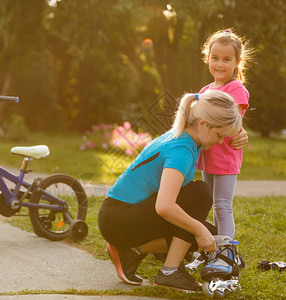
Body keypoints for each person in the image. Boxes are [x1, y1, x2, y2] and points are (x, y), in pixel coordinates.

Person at [98, 89, 243, 292]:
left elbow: (212, 107)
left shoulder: (188, 136)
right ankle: (169, 272)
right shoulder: (181, 150)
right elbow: (164, 206)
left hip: (121, 216)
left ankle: (132, 251)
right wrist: (198, 229)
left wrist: (238, 132)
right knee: (200, 194)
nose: (220, 142)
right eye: (220, 135)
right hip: (118, 219)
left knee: (212, 237)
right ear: (202, 124)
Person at [196, 29, 253, 239]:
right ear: (208, 58)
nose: (220, 64)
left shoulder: (236, 89)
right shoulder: (204, 91)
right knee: (212, 204)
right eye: (215, 58)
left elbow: (232, 122)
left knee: (222, 205)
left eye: (226, 59)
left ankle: (226, 251)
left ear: (237, 61)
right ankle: (216, 246)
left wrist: (241, 130)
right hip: (208, 155)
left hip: (226, 156)